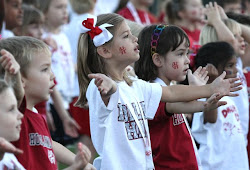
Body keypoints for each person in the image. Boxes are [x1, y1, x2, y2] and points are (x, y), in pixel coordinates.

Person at [75, 13, 241, 170]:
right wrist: (109, 89)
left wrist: (210, 89)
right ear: (105, 51)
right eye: (126, 36)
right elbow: (109, 93)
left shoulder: (135, 85)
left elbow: (171, 93)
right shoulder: (98, 86)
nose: (134, 39)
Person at [134, 24, 230, 170]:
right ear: (158, 60)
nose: (187, 60)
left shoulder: (167, 88)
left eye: (187, 53)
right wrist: (205, 90)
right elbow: (173, 102)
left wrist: (196, 90)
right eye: (180, 54)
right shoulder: (153, 92)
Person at [0, 36, 95, 170]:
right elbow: (14, 97)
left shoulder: (35, 114)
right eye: (45, 69)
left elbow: (48, 143)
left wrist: (77, 160)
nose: (53, 76)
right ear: (20, 80)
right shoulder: (17, 115)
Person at [191, 41, 249, 170]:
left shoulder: (230, 97)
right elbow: (211, 119)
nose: (236, 70)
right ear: (213, 69)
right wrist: (212, 83)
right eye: (230, 65)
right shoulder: (204, 96)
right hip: (215, 166)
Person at [199, 1, 250, 145]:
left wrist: (225, 20)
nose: (242, 40)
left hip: (238, 147)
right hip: (219, 156)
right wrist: (217, 20)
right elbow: (230, 43)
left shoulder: (237, 66)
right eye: (235, 35)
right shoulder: (211, 74)